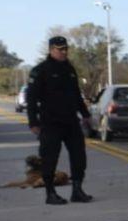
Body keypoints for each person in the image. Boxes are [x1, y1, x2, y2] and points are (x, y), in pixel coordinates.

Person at [26, 36, 93, 205]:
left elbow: (76, 94)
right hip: (50, 122)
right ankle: (50, 193)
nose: (64, 52)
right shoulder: (40, 70)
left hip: (71, 122)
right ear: (51, 50)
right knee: (49, 159)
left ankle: (77, 190)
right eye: (60, 49)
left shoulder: (69, 69)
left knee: (79, 157)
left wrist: (85, 115)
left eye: (65, 49)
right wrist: (33, 122)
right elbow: (31, 99)